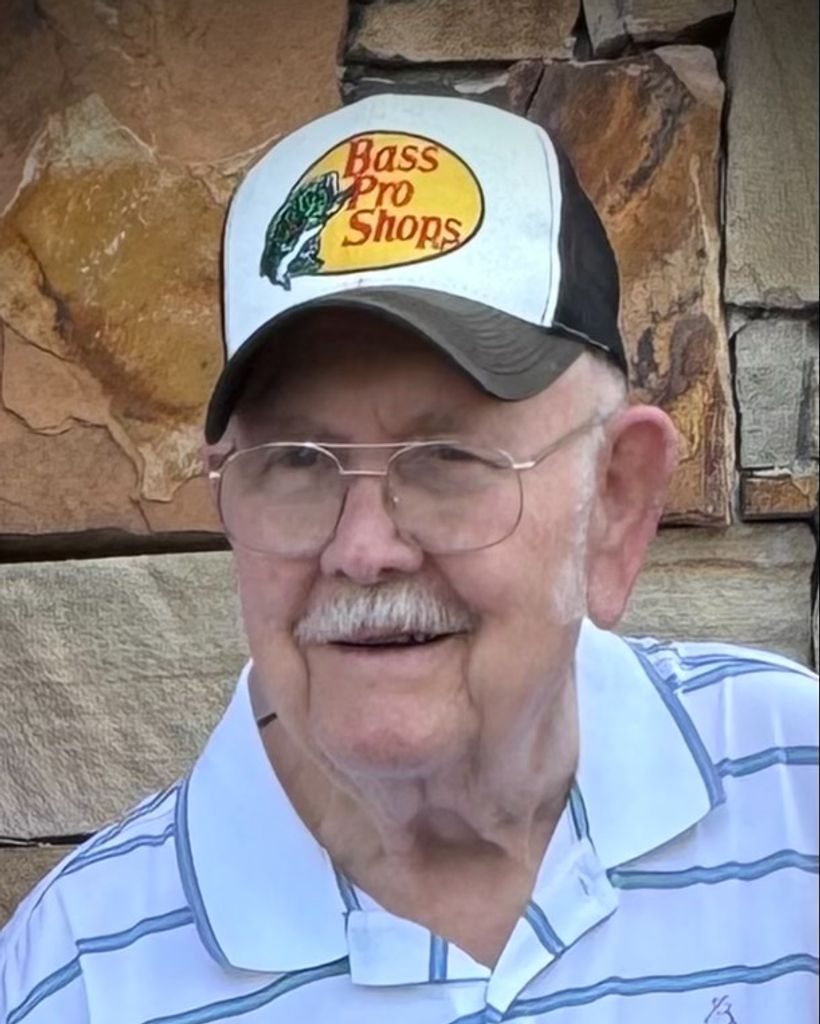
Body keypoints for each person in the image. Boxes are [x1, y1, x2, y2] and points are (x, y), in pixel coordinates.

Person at [1, 93, 817, 1024]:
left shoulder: (797, 794)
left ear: (615, 500)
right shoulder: (77, 979)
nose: (363, 549)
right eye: (297, 462)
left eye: (448, 459)